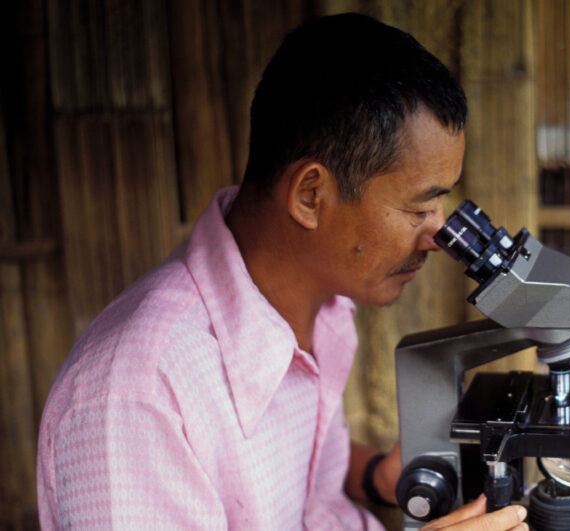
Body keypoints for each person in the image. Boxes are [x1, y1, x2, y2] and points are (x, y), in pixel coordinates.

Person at [37, 13, 529, 530]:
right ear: (310, 196)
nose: (439, 232)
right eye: (419, 206)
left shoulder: (318, 304)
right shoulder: (139, 399)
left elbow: (300, 476)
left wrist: (377, 475)